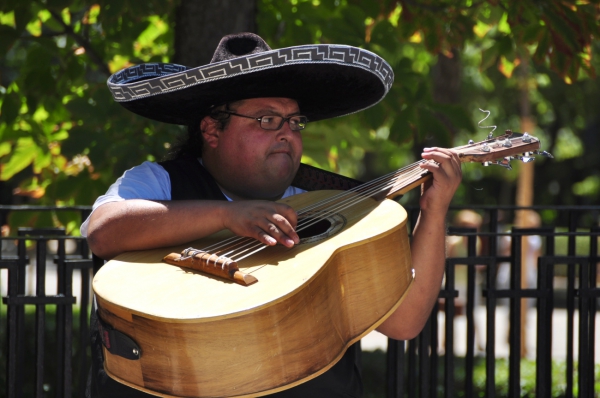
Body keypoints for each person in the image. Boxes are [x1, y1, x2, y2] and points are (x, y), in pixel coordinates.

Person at [82, 32, 462, 397]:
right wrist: (227, 216)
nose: (287, 134)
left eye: (295, 122)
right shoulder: (159, 183)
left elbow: (404, 322)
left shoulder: (335, 205)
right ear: (212, 129)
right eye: (267, 120)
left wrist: (434, 210)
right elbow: (103, 231)